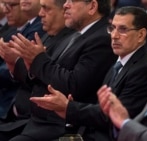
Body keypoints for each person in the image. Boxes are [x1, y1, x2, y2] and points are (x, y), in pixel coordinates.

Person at [30, 6, 147, 141]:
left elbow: (114, 117)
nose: (114, 36)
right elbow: (100, 107)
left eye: (123, 29)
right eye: (112, 28)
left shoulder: (144, 70)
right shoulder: (119, 62)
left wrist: (69, 108)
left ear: (141, 35)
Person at [0, 0, 116, 140]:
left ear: (92, 7)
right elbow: (45, 76)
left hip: (62, 128)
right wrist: (18, 63)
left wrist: (37, 59)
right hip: (36, 122)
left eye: (71, 0)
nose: (66, 5)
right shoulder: (76, 35)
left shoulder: (102, 38)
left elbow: (73, 85)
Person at [0, 0, 75, 140]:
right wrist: (14, 65)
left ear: (63, 11)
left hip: (48, 123)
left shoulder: (70, 39)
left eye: (46, 9)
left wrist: (21, 62)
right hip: (26, 118)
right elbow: (31, 76)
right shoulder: (47, 35)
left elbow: (64, 83)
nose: (41, 14)